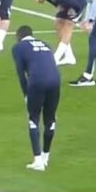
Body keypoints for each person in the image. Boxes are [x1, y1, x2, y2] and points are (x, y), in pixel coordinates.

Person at [11, 25, 61, 171]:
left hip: (37, 81)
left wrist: (26, 94)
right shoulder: (46, 44)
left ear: (19, 37)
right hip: (55, 80)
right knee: (50, 120)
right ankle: (46, 157)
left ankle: (38, 160)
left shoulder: (18, 48)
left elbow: (21, 74)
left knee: (33, 119)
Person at [28, 0, 87, 66]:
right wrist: (61, 8)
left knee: (68, 25)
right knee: (58, 23)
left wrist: (78, 16)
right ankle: (69, 57)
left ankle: (55, 58)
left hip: (79, 2)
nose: (37, 0)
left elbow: (75, 4)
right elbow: (58, 3)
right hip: (68, 2)